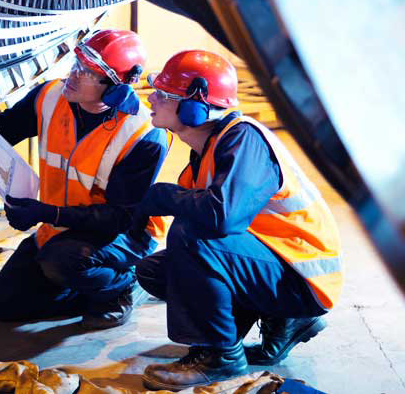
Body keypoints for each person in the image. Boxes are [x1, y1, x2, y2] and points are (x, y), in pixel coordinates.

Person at [133, 50, 343, 391]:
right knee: (157, 271)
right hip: (280, 266)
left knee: (193, 235)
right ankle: (283, 320)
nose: (152, 98)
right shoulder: (207, 149)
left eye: (164, 94)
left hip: (303, 277)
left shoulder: (245, 139)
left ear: (194, 107)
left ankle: (221, 356)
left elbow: (221, 216)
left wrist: (167, 196)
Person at [0, 29, 170, 329]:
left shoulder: (144, 135)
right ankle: (85, 285)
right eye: (76, 63)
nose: (73, 73)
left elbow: (118, 218)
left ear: (114, 88)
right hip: (62, 227)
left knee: (63, 260)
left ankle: (124, 284)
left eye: (86, 71)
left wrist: (45, 212)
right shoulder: (50, 97)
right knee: (4, 304)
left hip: (124, 235)